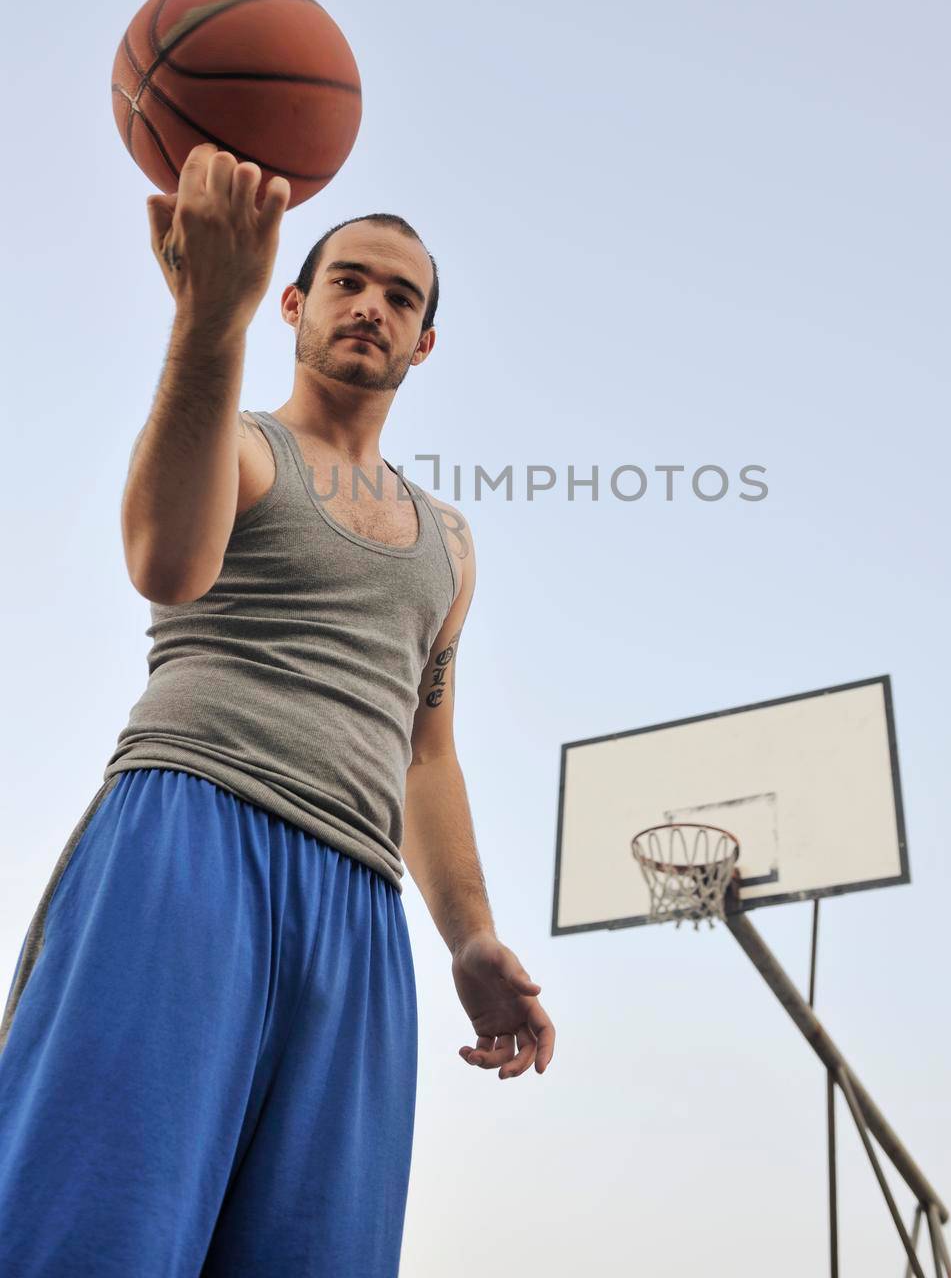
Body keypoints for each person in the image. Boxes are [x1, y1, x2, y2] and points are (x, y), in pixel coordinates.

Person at [0, 143, 555, 1276]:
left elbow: (426, 753)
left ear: (426, 343)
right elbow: (163, 561)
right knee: (98, 1223)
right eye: (348, 280)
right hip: (191, 834)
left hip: (359, 903)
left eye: (401, 295)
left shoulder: (450, 541)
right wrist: (211, 317)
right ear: (295, 301)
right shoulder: (243, 443)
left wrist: (472, 933)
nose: (372, 305)